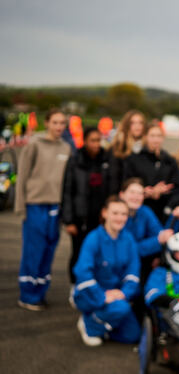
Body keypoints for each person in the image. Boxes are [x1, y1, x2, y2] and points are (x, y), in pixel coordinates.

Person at [15, 108, 71, 311]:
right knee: (34, 250)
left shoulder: (66, 148)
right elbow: (22, 176)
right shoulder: (34, 145)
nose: (59, 127)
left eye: (62, 123)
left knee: (49, 250)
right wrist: (21, 206)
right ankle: (27, 294)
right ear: (46, 122)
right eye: (55, 122)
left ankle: (40, 291)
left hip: (55, 207)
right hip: (36, 205)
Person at [73, 196, 141, 346]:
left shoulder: (128, 239)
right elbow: (82, 273)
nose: (120, 218)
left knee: (132, 335)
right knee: (121, 308)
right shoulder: (93, 238)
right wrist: (102, 296)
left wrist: (124, 293)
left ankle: (102, 324)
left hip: (116, 295)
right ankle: (89, 324)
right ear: (105, 213)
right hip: (91, 294)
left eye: (123, 214)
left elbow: (133, 272)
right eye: (115, 213)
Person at [62, 128, 111, 288]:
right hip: (80, 218)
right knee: (78, 253)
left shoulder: (106, 160)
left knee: (99, 254)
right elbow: (68, 190)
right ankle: (74, 284)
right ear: (85, 141)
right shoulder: (76, 160)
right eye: (93, 140)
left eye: (99, 140)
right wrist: (69, 220)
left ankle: (94, 285)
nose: (96, 144)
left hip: (100, 218)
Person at [119, 178, 174, 284]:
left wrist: (157, 254)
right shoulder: (117, 216)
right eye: (132, 192)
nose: (136, 197)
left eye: (140, 193)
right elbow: (127, 250)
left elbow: (160, 233)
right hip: (120, 266)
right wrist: (156, 241)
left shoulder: (145, 211)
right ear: (122, 195)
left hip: (141, 263)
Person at [123, 124, 178, 223]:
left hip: (161, 209)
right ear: (146, 137)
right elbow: (127, 180)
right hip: (138, 208)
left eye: (159, 136)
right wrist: (144, 191)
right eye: (152, 136)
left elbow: (174, 184)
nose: (155, 140)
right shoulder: (135, 158)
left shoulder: (169, 161)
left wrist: (161, 191)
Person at [108, 110, 147, 194]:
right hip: (121, 196)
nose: (138, 126)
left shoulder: (146, 148)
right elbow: (113, 177)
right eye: (133, 123)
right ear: (127, 125)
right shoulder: (119, 147)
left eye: (140, 123)